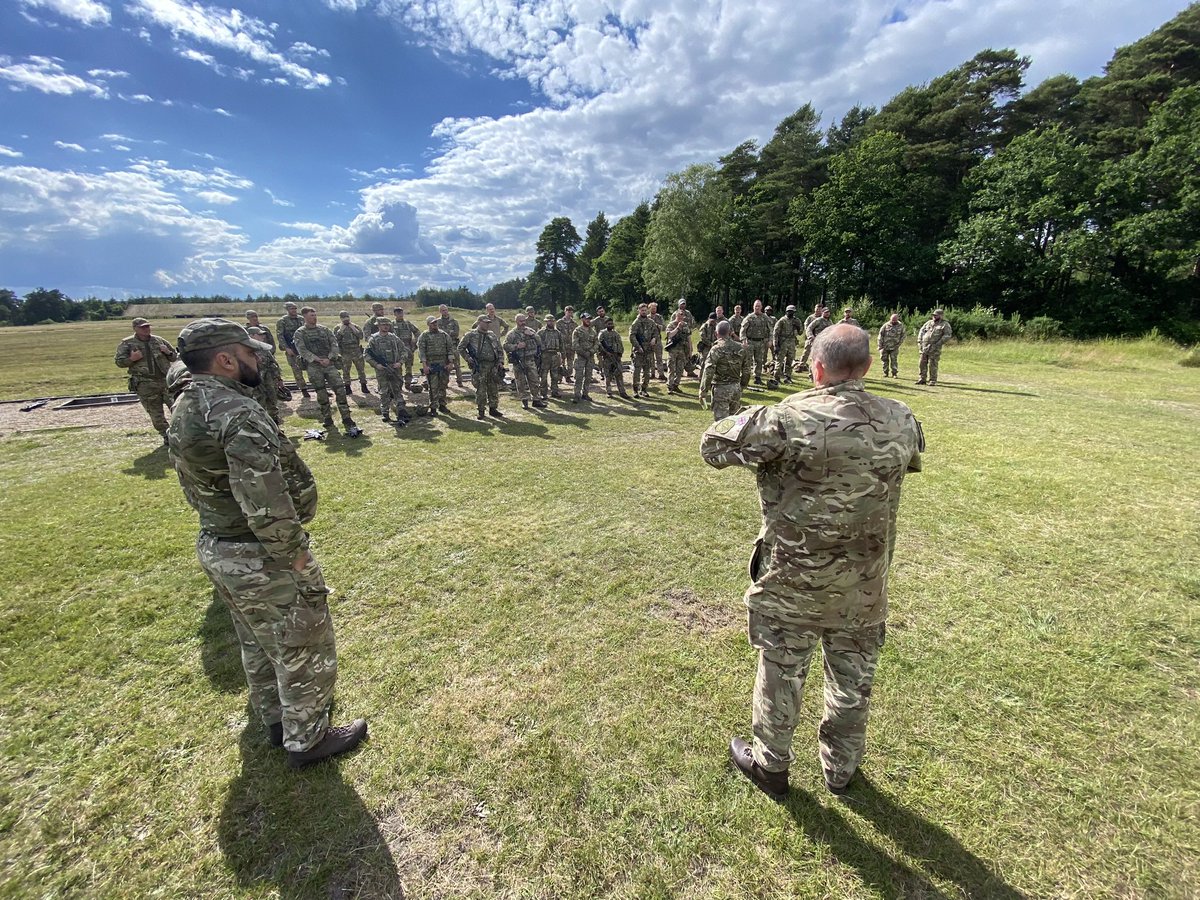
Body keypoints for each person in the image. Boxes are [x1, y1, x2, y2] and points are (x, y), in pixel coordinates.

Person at [700, 324, 923, 799]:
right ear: (868, 366)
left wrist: (789, 408)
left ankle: (771, 765)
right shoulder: (900, 417)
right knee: (852, 683)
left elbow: (713, 445)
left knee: (782, 672)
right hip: (863, 585)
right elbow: (906, 462)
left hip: (793, 583)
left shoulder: (786, 419)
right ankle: (841, 770)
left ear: (816, 367)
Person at [169, 317, 367, 768]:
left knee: (258, 641)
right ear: (225, 360)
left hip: (221, 543)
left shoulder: (188, 404)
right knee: (302, 643)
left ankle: (278, 721)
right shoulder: (235, 412)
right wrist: (295, 557)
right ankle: (309, 739)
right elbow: (264, 500)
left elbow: (194, 487)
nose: (256, 360)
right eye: (247, 353)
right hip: (259, 554)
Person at [114, 317, 178, 444]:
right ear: (135, 329)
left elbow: (174, 356)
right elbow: (119, 362)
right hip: (145, 384)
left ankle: (180, 433)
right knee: (156, 413)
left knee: (177, 408)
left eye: (147, 326)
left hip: (165, 381)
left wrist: (168, 352)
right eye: (142, 327)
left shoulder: (159, 340)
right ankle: (167, 436)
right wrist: (132, 359)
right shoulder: (127, 344)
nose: (146, 329)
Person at [293, 307, 357, 432]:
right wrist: (317, 359)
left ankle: (346, 417)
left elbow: (334, 344)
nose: (314, 317)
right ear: (304, 317)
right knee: (321, 393)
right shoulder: (300, 333)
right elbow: (302, 350)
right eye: (311, 315)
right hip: (314, 366)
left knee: (340, 389)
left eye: (315, 315)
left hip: (329, 364)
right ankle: (327, 417)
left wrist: (330, 358)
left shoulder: (324, 330)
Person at [699, 320, 752, 420]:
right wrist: (742, 386)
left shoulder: (716, 349)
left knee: (721, 423)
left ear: (716, 333)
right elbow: (747, 371)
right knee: (734, 422)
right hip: (736, 388)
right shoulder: (741, 348)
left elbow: (709, 371)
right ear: (730, 332)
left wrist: (703, 390)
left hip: (721, 389)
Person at [365, 319, 412, 426]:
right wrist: (376, 365)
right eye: (383, 325)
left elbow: (404, 351)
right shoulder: (373, 339)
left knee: (397, 389)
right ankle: (385, 412)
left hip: (395, 368)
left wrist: (400, 362)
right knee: (384, 391)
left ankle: (401, 410)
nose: (386, 326)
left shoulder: (394, 338)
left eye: (387, 325)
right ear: (378, 326)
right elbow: (366, 354)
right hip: (382, 370)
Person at [459, 316, 505, 419]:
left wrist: (500, 362)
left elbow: (499, 349)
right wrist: (468, 358)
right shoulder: (470, 335)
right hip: (480, 366)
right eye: (485, 322)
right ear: (479, 322)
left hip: (493, 365)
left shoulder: (492, 335)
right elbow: (461, 348)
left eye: (488, 323)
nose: (487, 324)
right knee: (481, 389)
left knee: (493, 388)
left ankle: (493, 408)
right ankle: (481, 410)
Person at [503, 314, 545, 410]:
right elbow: (505, 346)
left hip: (530, 359)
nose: (523, 323)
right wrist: (516, 346)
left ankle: (536, 399)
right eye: (521, 321)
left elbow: (540, 342)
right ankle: (524, 400)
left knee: (534, 380)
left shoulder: (530, 331)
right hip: (519, 361)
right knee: (521, 382)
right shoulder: (512, 334)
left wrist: (532, 335)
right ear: (516, 321)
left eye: (524, 320)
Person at [246, 326, 286, 423]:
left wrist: (279, 379)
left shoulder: (263, 348)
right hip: (256, 383)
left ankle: (275, 422)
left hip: (269, 381)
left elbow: (273, 363)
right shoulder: (246, 350)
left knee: (272, 400)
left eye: (263, 334)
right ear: (251, 336)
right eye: (259, 334)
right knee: (260, 402)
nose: (262, 336)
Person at [418, 316, 456, 414]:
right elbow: (421, 351)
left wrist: (451, 363)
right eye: (432, 323)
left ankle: (442, 405)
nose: (435, 324)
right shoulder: (424, 335)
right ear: (428, 324)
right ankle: (433, 408)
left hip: (443, 364)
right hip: (431, 365)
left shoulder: (444, 335)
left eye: (436, 322)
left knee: (443, 385)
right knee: (433, 387)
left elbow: (450, 349)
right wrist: (425, 365)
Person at [275, 302, 311, 399]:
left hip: (304, 348)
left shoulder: (301, 319)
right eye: (292, 308)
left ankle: (318, 387)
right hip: (292, 348)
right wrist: (287, 348)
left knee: (312, 368)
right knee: (297, 370)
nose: (294, 310)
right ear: (287, 309)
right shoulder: (282, 321)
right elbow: (280, 336)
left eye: (295, 308)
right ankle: (303, 390)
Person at [334, 311, 369, 395]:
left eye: (347, 317)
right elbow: (335, 339)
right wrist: (341, 330)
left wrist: (353, 328)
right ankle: (347, 387)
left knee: (361, 370)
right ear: (341, 318)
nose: (346, 319)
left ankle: (364, 385)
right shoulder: (337, 328)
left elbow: (361, 336)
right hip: (345, 353)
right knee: (346, 371)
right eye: (344, 318)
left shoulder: (355, 326)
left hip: (356, 351)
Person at [628, 303, 659, 398]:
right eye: (642, 310)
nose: (644, 312)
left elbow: (656, 332)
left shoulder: (651, 322)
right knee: (637, 372)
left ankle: (644, 389)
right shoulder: (636, 323)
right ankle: (635, 390)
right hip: (639, 351)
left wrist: (654, 339)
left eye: (645, 310)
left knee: (647, 372)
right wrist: (638, 347)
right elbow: (632, 336)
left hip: (648, 351)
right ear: (639, 311)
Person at [916, 309, 953, 385]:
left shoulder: (945, 324)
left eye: (936, 315)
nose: (934, 316)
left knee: (932, 364)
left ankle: (932, 380)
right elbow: (921, 331)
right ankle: (922, 379)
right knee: (922, 363)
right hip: (924, 346)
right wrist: (920, 341)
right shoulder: (928, 323)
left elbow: (947, 335)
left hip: (935, 347)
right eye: (933, 315)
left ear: (941, 316)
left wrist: (938, 343)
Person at [740, 299, 772, 384]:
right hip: (750, 342)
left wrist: (770, 340)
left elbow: (770, 330)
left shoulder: (765, 318)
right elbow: (743, 330)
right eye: (755, 306)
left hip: (761, 342)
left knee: (759, 361)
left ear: (761, 307)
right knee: (747, 360)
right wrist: (743, 340)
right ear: (753, 307)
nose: (757, 308)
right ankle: (744, 378)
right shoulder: (749, 317)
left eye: (758, 306)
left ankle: (757, 377)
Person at [597, 319, 631, 399]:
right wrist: (606, 352)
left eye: (612, 324)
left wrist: (620, 354)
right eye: (609, 324)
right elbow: (599, 344)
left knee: (619, 375)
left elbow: (620, 344)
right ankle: (609, 392)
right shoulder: (602, 333)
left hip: (616, 357)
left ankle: (622, 392)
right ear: (605, 325)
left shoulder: (616, 334)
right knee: (608, 376)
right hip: (607, 358)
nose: (611, 325)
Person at [391, 308, 421, 392]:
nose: (400, 314)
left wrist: (415, 341)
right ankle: (399, 385)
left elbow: (417, 332)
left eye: (401, 312)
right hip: (397, 349)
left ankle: (408, 383)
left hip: (408, 347)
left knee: (408, 367)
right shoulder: (391, 324)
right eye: (398, 313)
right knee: (398, 368)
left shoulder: (407, 323)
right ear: (395, 314)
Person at [570, 313, 598, 403]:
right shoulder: (577, 331)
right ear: (582, 319)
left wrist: (591, 351)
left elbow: (596, 343)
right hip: (580, 357)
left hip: (590, 357)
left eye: (589, 319)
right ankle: (577, 395)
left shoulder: (593, 331)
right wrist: (583, 353)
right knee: (579, 377)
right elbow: (575, 344)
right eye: (586, 319)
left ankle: (585, 394)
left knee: (588, 377)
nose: (588, 321)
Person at [770, 305, 800, 386]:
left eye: (793, 312)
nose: (791, 313)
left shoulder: (796, 320)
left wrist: (797, 326)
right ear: (786, 312)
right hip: (782, 342)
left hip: (792, 342)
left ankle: (788, 377)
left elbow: (800, 332)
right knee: (779, 361)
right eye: (790, 311)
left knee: (790, 361)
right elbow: (775, 333)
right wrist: (776, 345)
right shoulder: (782, 321)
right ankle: (776, 377)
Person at [537, 314, 565, 400]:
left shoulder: (557, 333)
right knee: (543, 376)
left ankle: (555, 391)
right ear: (546, 321)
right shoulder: (541, 332)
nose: (551, 322)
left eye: (552, 321)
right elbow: (537, 345)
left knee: (555, 375)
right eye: (549, 321)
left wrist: (563, 356)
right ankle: (543, 393)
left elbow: (561, 345)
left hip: (555, 356)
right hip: (545, 356)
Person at [435, 304, 464, 387]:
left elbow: (456, 333)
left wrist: (445, 333)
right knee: (445, 364)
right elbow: (437, 334)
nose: (445, 312)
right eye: (443, 310)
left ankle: (459, 381)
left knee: (457, 364)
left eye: (446, 310)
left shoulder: (454, 321)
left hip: (453, 345)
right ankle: (445, 382)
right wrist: (449, 333)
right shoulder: (437, 322)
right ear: (440, 311)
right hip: (442, 346)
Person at [665, 310, 691, 394]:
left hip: (682, 350)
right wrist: (677, 328)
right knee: (671, 368)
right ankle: (670, 386)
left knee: (680, 369)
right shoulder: (671, 324)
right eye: (679, 317)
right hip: (673, 350)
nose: (680, 318)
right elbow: (669, 335)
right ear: (676, 316)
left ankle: (676, 385)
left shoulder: (686, 325)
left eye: (681, 317)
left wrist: (690, 350)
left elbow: (688, 338)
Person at [877, 314, 906, 378]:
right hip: (885, 346)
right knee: (884, 360)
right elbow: (880, 335)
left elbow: (903, 336)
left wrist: (899, 344)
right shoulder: (885, 325)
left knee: (894, 360)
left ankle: (894, 374)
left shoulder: (901, 326)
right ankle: (885, 373)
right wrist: (880, 345)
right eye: (892, 320)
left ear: (897, 319)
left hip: (894, 347)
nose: (893, 322)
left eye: (894, 320)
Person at [797, 303, 822, 371]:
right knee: (806, 352)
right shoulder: (810, 317)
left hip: (820, 339)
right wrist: (809, 336)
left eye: (819, 309)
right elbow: (806, 326)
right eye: (817, 309)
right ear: (814, 309)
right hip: (810, 338)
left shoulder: (823, 318)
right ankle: (801, 365)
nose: (818, 310)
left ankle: (816, 367)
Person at [676, 299, 697, 377]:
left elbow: (692, 323)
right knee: (679, 355)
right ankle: (679, 372)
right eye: (681, 304)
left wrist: (689, 328)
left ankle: (690, 371)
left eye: (684, 304)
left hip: (687, 335)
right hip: (678, 337)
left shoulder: (688, 313)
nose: (682, 305)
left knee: (689, 353)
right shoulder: (675, 313)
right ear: (679, 304)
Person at [557, 306, 577, 384]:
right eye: (568, 312)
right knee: (561, 362)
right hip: (562, 346)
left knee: (570, 363)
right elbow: (557, 334)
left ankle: (568, 377)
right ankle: (559, 378)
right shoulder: (559, 322)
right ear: (565, 312)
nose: (570, 313)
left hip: (571, 347)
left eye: (571, 312)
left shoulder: (574, 323)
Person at [696, 313, 718, 384]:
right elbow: (703, 338)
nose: (713, 322)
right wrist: (710, 344)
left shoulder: (716, 326)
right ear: (709, 319)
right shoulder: (704, 326)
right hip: (705, 348)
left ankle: (711, 379)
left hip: (714, 347)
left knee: (714, 363)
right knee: (704, 363)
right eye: (712, 320)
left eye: (714, 320)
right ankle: (701, 379)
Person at [649, 302, 667, 381]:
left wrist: (656, 325)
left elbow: (664, 327)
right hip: (649, 340)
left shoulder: (659, 317)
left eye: (655, 308)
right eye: (652, 308)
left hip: (658, 339)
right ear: (649, 309)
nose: (654, 309)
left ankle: (661, 374)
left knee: (659, 358)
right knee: (650, 358)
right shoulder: (647, 317)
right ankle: (652, 373)